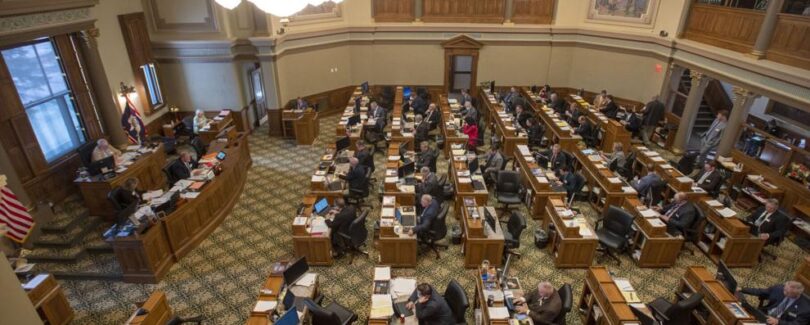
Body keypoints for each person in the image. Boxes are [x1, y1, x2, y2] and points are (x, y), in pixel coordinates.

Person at [737, 281, 810, 325]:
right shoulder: (779, 288)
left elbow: (796, 324)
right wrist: (742, 289)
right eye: (784, 289)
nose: (783, 292)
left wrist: (778, 322)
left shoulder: (805, 309)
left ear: (796, 295)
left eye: (787, 293)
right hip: (764, 314)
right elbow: (761, 292)